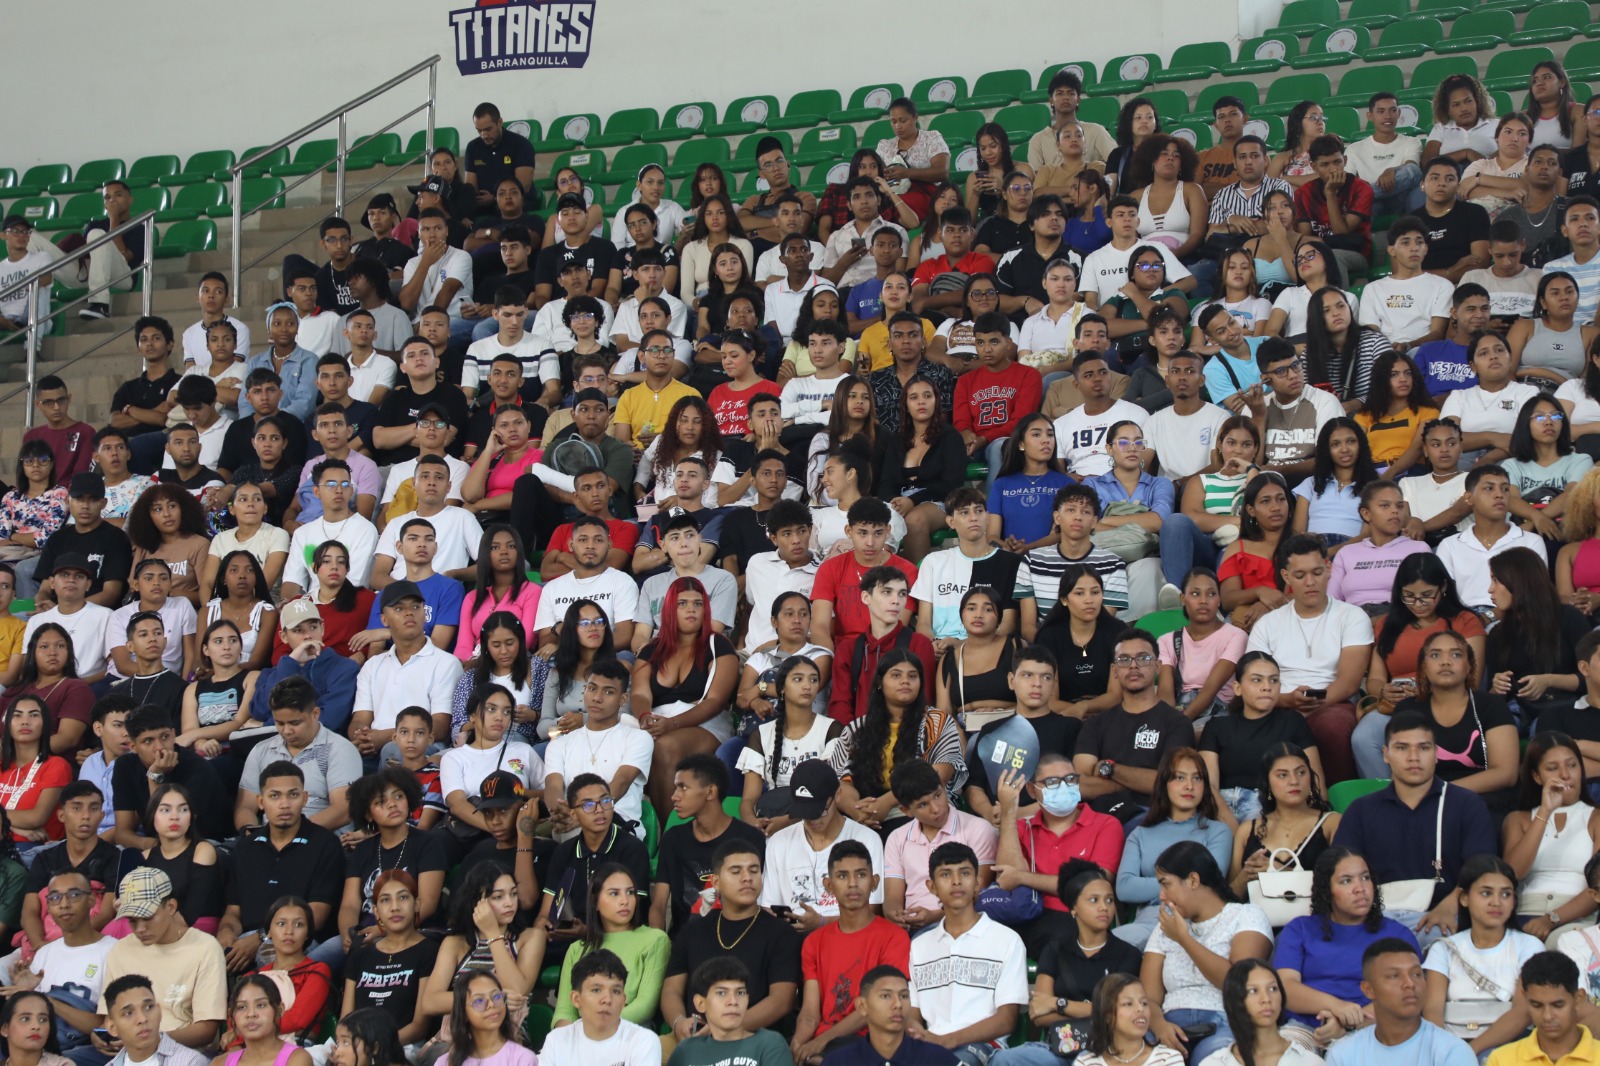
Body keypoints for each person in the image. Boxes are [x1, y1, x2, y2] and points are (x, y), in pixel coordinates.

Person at [1243, 535, 1372, 782]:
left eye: (1317, 572)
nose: (1310, 582)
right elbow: (1254, 682)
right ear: (1286, 576)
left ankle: (1335, 800)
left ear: (1329, 568)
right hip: (1277, 703)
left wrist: (1310, 705)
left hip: (1332, 701)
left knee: (1332, 726)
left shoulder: (1352, 616)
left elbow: (1348, 683)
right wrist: (1284, 701)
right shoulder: (1268, 624)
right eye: (1300, 576)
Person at [1139, 841, 1274, 1065]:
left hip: (1225, 1022)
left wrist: (1184, 938)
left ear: (1193, 880)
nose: (1162, 896)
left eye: (1166, 884)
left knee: (1215, 1059)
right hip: (1170, 1024)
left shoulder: (1246, 915)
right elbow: (1148, 998)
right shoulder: (1166, 927)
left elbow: (1239, 984)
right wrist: (1160, 1026)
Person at [661, 839, 800, 1046]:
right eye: (736, 872)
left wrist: (725, 1029)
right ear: (716, 882)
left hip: (753, 1038)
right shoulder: (692, 931)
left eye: (754, 871)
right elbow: (671, 990)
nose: (747, 878)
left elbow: (781, 1001)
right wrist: (679, 1022)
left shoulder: (781, 933)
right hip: (695, 1038)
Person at [901, 841, 1027, 1064]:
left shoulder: (1007, 940)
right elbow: (913, 1012)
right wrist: (918, 1033)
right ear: (931, 886)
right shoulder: (920, 946)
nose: (957, 881)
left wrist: (947, 1040)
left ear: (978, 883)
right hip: (930, 1045)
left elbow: (1007, 1020)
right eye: (946, 874)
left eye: (965, 873)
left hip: (984, 1047)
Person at [1275, 847, 1419, 1038]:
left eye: (1366, 878)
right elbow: (1286, 988)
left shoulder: (1397, 935)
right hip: (1304, 1028)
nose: (1360, 888)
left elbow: (1409, 993)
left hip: (1373, 1028)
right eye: (1346, 881)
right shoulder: (1300, 929)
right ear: (1327, 890)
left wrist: (1348, 1026)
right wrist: (1338, 1007)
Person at [98, 867, 227, 1050]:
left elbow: (206, 1030)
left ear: (171, 907)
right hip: (130, 1049)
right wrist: (104, 1037)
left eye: (147, 917)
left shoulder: (205, 948)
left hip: (181, 1051)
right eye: (132, 921)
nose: (140, 928)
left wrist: (152, 1041)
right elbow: (109, 1019)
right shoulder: (121, 950)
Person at [1072, 628, 1196, 817]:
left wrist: (1109, 769)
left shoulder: (1177, 723)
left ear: (1157, 667)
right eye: (1124, 660)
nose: (1133, 666)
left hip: (1151, 817)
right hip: (1101, 818)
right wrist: (1140, 782)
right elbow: (1081, 784)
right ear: (1114, 670)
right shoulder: (1095, 724)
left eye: (1143, 658)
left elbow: (1169, 783)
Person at [650, 754, 765, 933]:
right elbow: (658, 904)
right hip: (685, 944)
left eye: (683, 788)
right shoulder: (673, 839)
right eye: (676, 788)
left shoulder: (750, 839)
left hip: (737, 938)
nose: (674, 796)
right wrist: (658, 945)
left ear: (710, 792)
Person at [1502, 734, 1600, 943]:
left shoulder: (1596, 818)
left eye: (1572, 765)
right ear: (1537, 777)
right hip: (1524, 914)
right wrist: (1545, 811)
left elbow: (1598, 887)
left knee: (1562, 942)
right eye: (1553, 768)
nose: (1565, 775)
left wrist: (1551, 918)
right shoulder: (1517, 819)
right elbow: (1513, 873)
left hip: (1578, 918)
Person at [349, 580, 464, 754]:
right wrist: (362, 737)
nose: (409, 613)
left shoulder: (446, 663)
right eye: (399, 608)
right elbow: (360, 719)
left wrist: (390, 737)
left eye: (416, 607)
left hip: (420, 748)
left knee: (392, 751)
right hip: (372, 748)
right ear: (384, 619)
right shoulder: (372, 665)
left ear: (424, 614)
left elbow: (439, 727)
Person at [235, 675, 362, 830]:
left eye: (295, 723)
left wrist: (290, 835)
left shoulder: (339, 749)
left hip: (322, 840)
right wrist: (251, 835)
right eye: (280, 723)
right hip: (268, 842)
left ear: (315, 714)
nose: (287, 731)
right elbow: (245, 807)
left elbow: (343, 810)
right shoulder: (261, 750)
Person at [336, 770, 447, 944]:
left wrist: (381, 930)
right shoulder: (362, 850)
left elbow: (427, 904)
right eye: (381, 802)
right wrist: (348, 935)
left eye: (398, 797)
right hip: (367, 929)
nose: (392, 805)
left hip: (415, 932)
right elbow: (349, 905)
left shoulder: (429, 844)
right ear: (368, 814)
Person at [19, 869, 115, 1051]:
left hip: (84, 1050)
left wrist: (41, 998)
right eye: (54, 898)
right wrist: (22, 994)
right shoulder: (45, 953)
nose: (64, 904)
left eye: (73, 895)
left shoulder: (113, 951)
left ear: (91, 901)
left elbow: (104, 1026)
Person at [1435, 465, 1548, 614]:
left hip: (1515, 618)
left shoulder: (1531, 542)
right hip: (1465, 622)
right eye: (1489, 488)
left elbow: (1535, 595)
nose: (1499, 494)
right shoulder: (1450, 545)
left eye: (1505, 489)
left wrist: (1491, 616)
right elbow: (1444, 597)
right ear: (1468, 498)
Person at [543, 947, 664, 1066]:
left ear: (623, 1001)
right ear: (576, 999)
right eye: (596, 990)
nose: (607, 999)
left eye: (616, 991)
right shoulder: (556, 1040)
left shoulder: (643, 1041)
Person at [1253, 337, 1343, 476]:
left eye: (1295, 365)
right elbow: (1251, 468)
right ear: (1266, 379)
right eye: (1281, 371)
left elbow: (1329, 460)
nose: (1293, 375)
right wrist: (1259, 418)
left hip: (1313, 485)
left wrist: (1278, 471)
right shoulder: (1255, 407)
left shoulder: (1325, 402)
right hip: (1268, 489)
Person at [1290, 423, 1379, 547]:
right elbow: (1298, 532)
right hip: (1314, 549)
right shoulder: (1310, 484)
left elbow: (1367, 536)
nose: (1344, 449)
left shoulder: (1374, 487)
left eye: (1351, 441)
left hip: (1354, 550)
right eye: (1335, 444)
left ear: (1361, 445)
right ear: (1326, 450)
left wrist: (1332, 552)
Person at [0, 695, 72, 847]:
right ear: (8, 724)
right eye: (17, 715)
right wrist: (15, 828)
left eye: (33, 715)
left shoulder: (56, 765)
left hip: (32, 849)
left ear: (45, 724)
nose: (25, 721)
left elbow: (36, 818)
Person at [22, 377, 94, 489]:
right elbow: (26, 475)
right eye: (49, 402)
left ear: (69, 399)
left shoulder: (85, 432)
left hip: (71, 497)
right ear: (38, 405)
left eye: (61, 400)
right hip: (37, 498)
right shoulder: (31, 436)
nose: (56, 407)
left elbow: (81, 475)